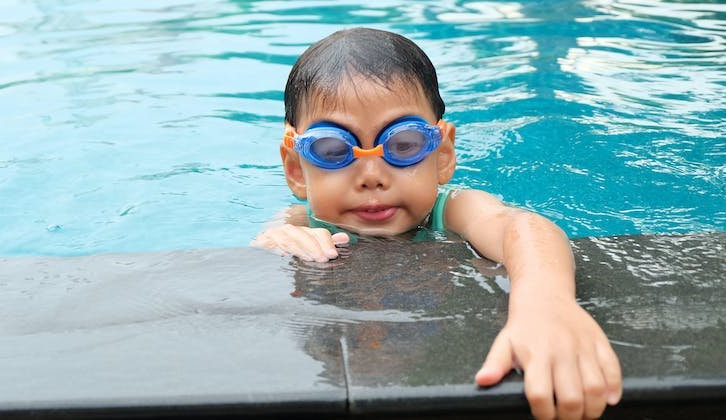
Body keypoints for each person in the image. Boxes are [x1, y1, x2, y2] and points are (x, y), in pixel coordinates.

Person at [252, 27, 622, 419]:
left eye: (404, 144)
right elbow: (259, 255)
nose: (372, 175)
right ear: (295, 169)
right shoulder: (300, 220)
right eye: (333, 150)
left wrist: (545, 304)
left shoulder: (454, 210)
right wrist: (274, 244)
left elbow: (524, 228)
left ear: (442, 154)